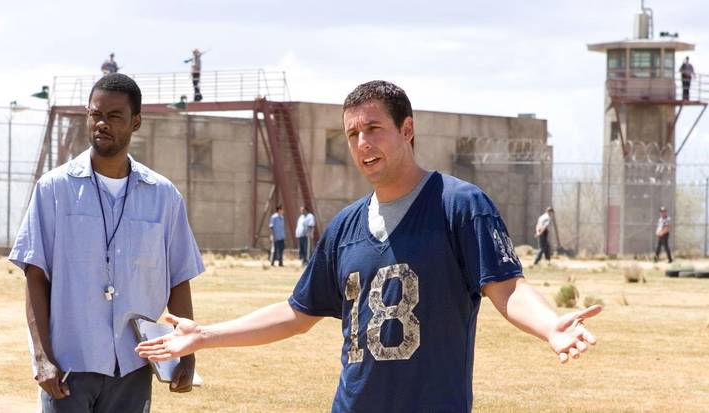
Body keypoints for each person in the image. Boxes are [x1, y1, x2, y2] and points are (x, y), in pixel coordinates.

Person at [137, 80, 601, 412]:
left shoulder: (459, 204)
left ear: (407, 130)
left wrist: (550, 326)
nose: (362, 143)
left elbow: (507, 287)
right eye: (353, 134)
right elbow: (298, 312)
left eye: (374, 129)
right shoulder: (344, 226)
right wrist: (205, 336)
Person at [10, 73, 205, 413]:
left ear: (136, 122)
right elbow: (35, 276)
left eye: (114, 116)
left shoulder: (163, 197)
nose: (102, 123)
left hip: (134, 367)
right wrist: (41, 358)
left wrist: (185, 353)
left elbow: (179, 279)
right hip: (69, 368)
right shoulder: (53, 190)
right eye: (95, 114)